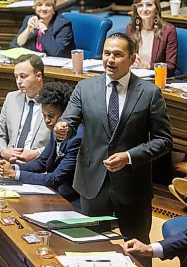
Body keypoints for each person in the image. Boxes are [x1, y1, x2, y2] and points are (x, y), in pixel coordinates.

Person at [54, 32, 173, 266]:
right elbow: (68, 123)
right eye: (107, 53)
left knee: (138, 250)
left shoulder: (149, 93)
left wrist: (130, 156)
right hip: (92, 182)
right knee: (90, 248)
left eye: (118, 55)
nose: (110, 59)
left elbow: (164, 140)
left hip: (133, 185)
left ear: (133, 59)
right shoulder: (84, 88)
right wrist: (62, 129)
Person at [0, 82, 82, 208]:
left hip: (72, 202)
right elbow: (41, 163)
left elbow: (54, 179)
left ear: (66, 115)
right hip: (53, 195)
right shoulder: (55, 130)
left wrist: (14, 174)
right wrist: (12, 167)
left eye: (51, 116)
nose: (47, 121)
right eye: (44, 115)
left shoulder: (77, 138)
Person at [0, 54, 51, 164]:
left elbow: (63, 143)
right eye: (16, 76)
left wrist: (38, 153)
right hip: (9, 163)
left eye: (23, 76)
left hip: (40, 165)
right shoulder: (12, 98)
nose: (18, 81)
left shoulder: (54, 102)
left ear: (38, 76)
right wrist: (4, 151)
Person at [125, 0, 178, 76]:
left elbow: (171, 67)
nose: (144, 9)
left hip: (155, 80)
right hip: (133, 76)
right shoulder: (131, 28)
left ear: (156, 9)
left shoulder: (168, 31)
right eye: (140, 5)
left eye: (149, 5)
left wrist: (147, 65)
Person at [10, 0, 74, 57]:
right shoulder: (30, 20)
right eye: (39, 5)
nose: (43, 9)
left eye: (48, 5)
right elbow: (15, 45)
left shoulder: (63, 25)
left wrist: (45, 31)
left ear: (54, 8)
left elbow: (57, 53)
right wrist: (27, 29)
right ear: (35, 7)